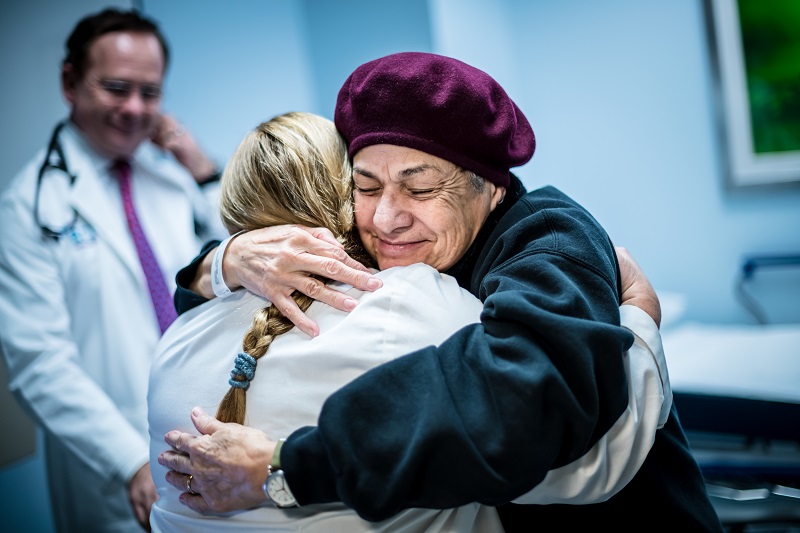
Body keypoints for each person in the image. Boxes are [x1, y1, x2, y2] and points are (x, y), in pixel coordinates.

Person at [159, 52, 723, 530]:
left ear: (493, 187)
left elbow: (514, 402)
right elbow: (207, 308)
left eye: (421, 187)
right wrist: (225, 261)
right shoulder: (387, 253)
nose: (385, 218)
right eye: (365, 185)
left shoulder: (552, 238)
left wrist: (284, 468)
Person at [0, 8, 227, 533]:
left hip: (211, 433)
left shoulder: (173, 180)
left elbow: (235, 250)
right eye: (117, 88)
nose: (133, 108)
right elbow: (40, 363)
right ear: (69, 82)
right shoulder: (28, 207)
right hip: (116, 464)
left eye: (149, 93)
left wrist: (200, 166)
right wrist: (131, 459)